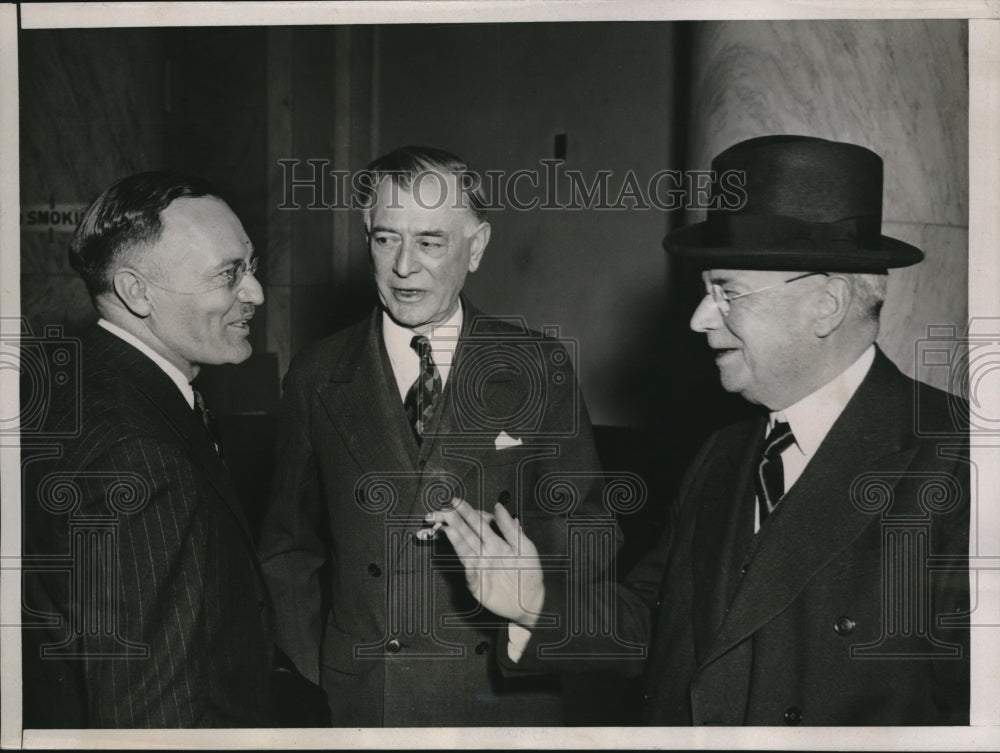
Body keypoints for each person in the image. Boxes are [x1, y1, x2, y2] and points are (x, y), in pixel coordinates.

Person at [427, 135, 970, 725]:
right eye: (704, 290)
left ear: (828, 304)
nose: (699, 318)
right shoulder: (724, 454)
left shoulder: (959, 460)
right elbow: (654, 628)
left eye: (727, 292)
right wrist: (535, 603)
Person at [258, 145, 612, 726]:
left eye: (429, 241)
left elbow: (586, 529)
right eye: (385, 238)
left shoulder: (536, 365)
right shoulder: (317, 373)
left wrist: (529, 620)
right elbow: (288, 551)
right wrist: (305, 685)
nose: (403, 266)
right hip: (360, 701)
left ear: (476, 248)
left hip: (498, 698)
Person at [21, 172, 274, 727]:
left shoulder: (68, 378)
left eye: (250, 265)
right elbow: (147, 716)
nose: (255, 292)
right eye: (228, 275)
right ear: (137, 292)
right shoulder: (136, 456)